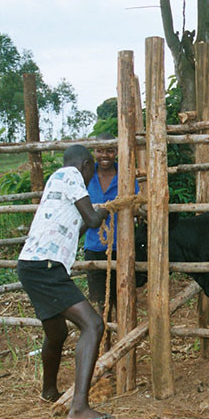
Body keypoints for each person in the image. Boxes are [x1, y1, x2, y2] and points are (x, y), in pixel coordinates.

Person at [17, 144, 112, 419]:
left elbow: (83, 225)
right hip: (47, 267)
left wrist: (95, 215)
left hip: (32, 266)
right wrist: (105, 210)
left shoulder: (56, 183)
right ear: (85, 165)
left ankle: (49, 391)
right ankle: (79, 409)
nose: (89, 179)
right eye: (91, 172)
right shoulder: (70, 174)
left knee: (56, 332)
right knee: (93, 324)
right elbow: (94, 219)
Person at [83, 133, 140, 326]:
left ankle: (124, 339)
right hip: (94, 246)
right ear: (94, 152)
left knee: (123, 298)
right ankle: (103, 344)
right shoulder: (87, 177)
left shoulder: (126, 175)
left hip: (123, 246)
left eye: (109, 150)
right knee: (101, 303)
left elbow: (136, 204)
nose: (104, 155)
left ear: (116, 152)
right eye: (100, 150)